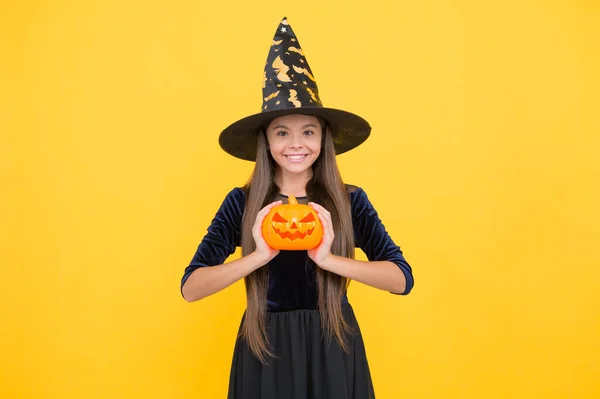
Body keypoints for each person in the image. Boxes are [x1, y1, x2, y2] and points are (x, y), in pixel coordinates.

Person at [180, 17, 414, 399]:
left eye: (308, 131)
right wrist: (258, 255)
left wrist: (329, 259)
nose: (296, 144)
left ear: (323, 139)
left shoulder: (350, 199)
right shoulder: (241, 202)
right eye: (282, 132)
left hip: (334, 346)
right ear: (266, 142)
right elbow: (191, 288)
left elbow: (402, 279)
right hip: (264, 348)